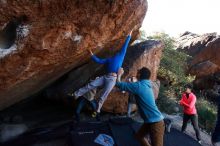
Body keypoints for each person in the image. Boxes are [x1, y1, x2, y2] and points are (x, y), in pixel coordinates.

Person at [70, 29, 133, 117]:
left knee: (103, 95)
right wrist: (91, 54)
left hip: (112, 79)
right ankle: (75, 94)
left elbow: (125, 46)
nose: (115, 51)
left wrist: (129, 35)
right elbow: (99, 60)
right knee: (91, 84)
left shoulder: (121, 56)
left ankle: (97, 110)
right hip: (105, 76)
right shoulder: (109, 59)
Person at [116, 67, 164, 146]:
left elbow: (119, 84)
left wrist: (119, 75)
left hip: (156, 123)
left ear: (139, 74)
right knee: (139, 136)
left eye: (138, 73)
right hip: (150, 121)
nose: (136, 74)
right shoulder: (147, 84)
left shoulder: (139, 86)